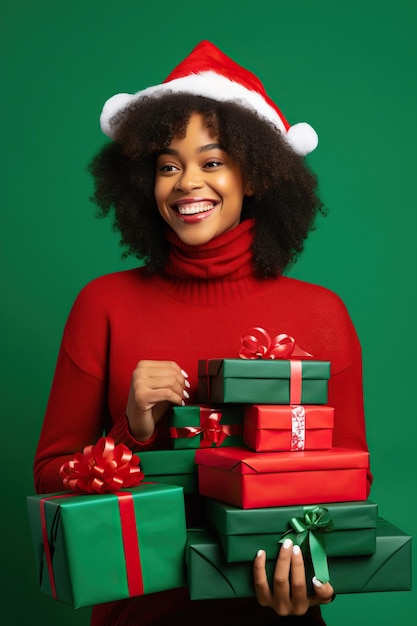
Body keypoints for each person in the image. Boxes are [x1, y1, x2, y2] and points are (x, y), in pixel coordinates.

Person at [33, 40, 372, 625]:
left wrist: (314, 578)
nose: (188, 183)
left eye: (212, 161)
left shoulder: (322, 316)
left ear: (257, 174)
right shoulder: (103, 305)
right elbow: (49, 476)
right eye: (168, 165)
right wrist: (132, 431)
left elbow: (351, 488)